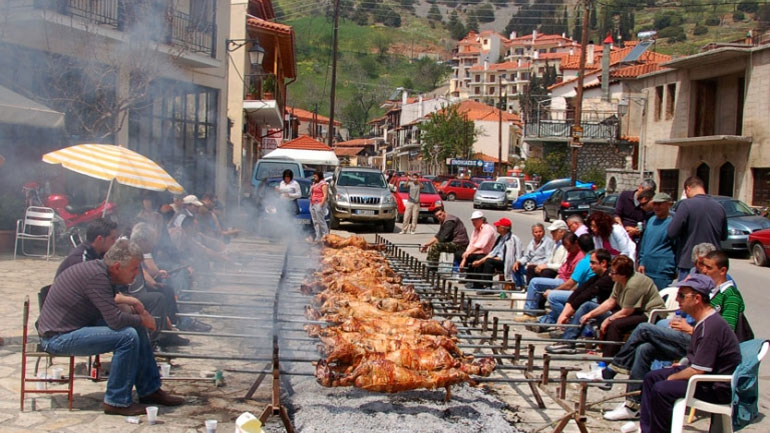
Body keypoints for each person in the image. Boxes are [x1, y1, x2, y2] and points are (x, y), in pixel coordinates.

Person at [37, 240, 184, 415]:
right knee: (127, 336)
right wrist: (143, 319)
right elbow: (115, 320)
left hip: (74, 327)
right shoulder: (97, 276)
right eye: (134, 269)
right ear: (116, 267)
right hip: (58, 337)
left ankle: (149, 389)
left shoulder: (101, 271)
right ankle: (116, 401)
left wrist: (134, 302)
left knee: (134, 329)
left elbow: (108, 298)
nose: (137, 274)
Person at [601, 254, 746, 421]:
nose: (703, 270)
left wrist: (689, 329)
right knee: (644, 348)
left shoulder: (729, 297)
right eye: (703, 266)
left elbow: (723, 333)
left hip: (704, 357)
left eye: (708, 267)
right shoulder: (710, 291)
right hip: (694, 343)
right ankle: (633, 407)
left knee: (645, 329)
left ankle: (612, 369)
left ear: (722, 271)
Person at [637, 275, 741, 433]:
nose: (677, 299)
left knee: (661, 389)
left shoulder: (710, 327)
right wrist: (682, 366)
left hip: (714, 386)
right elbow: (695, 359)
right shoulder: (703, 321)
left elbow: (699, 369)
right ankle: (648, 429)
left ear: (697, 298)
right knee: (651, 378)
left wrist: (673, 377)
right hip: (703, 377)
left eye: (682, 296)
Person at [579, 255, 664, 357]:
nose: (610, 274)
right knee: (607, 319)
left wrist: (608, 320)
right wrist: (590, 314)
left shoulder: (633, 284)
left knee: (615, 325)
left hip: (650, 313)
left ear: (623, 274)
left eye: (613, 273)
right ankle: (604, 350)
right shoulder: (619, 281)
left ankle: (609, 358)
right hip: (636, 310)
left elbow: (626, 311)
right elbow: (611, 301)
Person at [545, 249, 614, 353]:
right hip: (604, 309)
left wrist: (566, 314)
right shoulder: (598, 276)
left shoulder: (608, 278)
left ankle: (568, 341)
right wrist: (564, 313)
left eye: (593, 263)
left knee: (587, 305)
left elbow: (587, 295)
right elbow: (579, 291)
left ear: (603, 263)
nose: (590, 266)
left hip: (613, 313)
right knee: (584, 303)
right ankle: (569, 335)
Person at [667, 176, 727, 279]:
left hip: (690, 264)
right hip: (713, 265)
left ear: (688, 188)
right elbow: (724, 236)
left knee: (688, 294)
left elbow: (671, 232)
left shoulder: (686, 205)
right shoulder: (719, 207)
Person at [515, 232, 582, 322]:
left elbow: (572, 282)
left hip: (567, 282)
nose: (568, 249)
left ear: (576, 243)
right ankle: (533, 309)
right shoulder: (571, 253)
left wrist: (554, 290)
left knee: (535, 282)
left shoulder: (579, 257)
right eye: (566, 247)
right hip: (561, 278)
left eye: (569, 247)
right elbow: (563, 269)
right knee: (533, 276)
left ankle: (530, 312)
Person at [538, 234, 597, 324]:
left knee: (552, 297)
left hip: (586, 295)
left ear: (578, 246)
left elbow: (570, 284)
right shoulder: (596, 258)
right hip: (587, 291)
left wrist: (553, 291)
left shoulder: (584, 262)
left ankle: (564, 321)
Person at [637, 192, 677, 290]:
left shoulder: (673, 223)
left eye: (660, 204)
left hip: (662, 271)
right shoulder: (651, 220)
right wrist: (641, 262)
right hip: (646, 270)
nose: (657, 207)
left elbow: (677, 247)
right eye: (655, 204)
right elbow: (644, 243)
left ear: (669, 204)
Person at [471, 218, 522, 292]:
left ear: (503, 228)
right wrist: (480, 261)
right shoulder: (500, 238)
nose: (496, 228)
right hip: (497, 259)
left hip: (507, 263)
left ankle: (488, 286)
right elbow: (493, 253)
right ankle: (477, 284)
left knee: (489, 261)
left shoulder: (513, 239)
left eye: (498, 226)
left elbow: (509, 256)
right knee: (480, 259)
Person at [513, 223, 554, 288]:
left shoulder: (548, 242)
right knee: (515, 267)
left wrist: (536, 264)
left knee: (531, 268)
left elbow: (548, 258)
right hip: (530, 265)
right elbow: (527, 256)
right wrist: (519, 262)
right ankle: (520, 286)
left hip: (539, 266)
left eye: (540, 231)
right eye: (536, 232)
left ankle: (530, 288)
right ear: (533, 233)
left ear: (544, 231)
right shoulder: (532, 242)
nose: (538, 234)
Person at [459, 211, 496, 275]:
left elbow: (481, 245)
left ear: (481, 220)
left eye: (476, 220)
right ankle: (467, 275)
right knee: (459, 254)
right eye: (472, 220)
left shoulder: (487, 228)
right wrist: (465, 255)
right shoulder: (475, 230)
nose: (474, 222)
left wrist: (467, 253)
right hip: (476, 252)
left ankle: (475, 280)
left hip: (486, 253)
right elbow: (471, 244)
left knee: (473, 257)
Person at [309, 171, 330, 241]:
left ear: (319, 176)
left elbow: (325, 195)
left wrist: (321, 205)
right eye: (314, 176)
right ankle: (318, 236)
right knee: (315, 221)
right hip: (312, 203)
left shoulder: (323, 184)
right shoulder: (314, 183)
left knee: (321, 220)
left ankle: (326, 236)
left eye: (315, 176)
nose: (314, 178)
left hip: (319, 203)